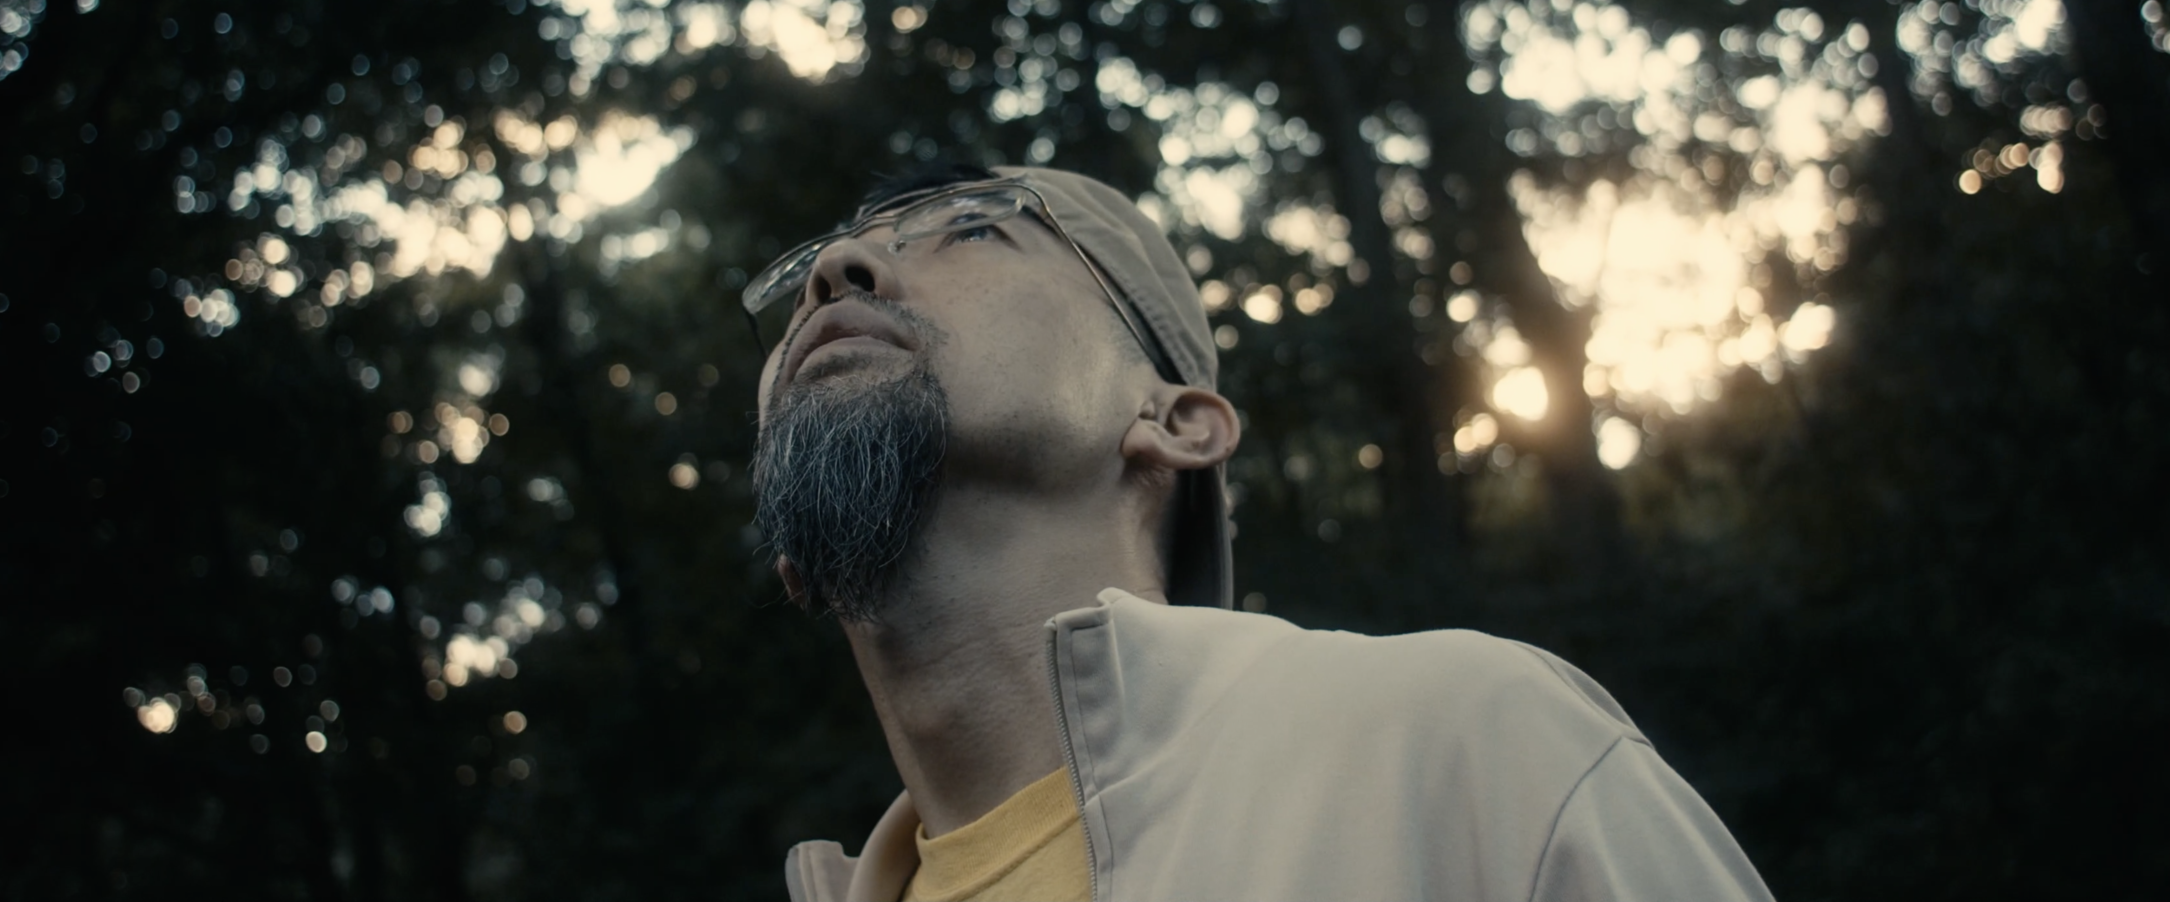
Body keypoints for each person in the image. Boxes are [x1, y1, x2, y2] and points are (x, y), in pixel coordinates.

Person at [746, 162, 1773, 902]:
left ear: (1177, 422)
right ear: (793, 556)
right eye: (800, 294)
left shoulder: (1465, 751)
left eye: (974, 231)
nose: (834, 267)